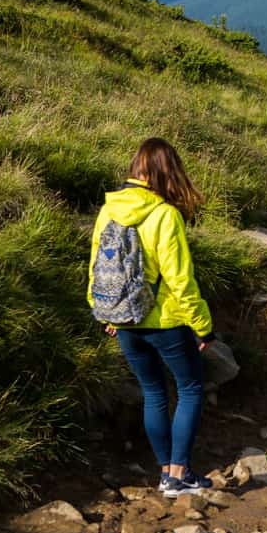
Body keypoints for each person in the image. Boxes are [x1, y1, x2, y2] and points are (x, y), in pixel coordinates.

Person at [87, 137, 217, 497]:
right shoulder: (165, 215)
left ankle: (164, 474)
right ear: (167, 172)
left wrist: (106, 313)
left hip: (123, 320)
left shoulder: (107, 211)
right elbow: (180, 280)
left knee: (153, 393)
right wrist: (203, 326)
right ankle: (180, 474)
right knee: (189, 389)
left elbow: (97, 269)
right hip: (166, 322)